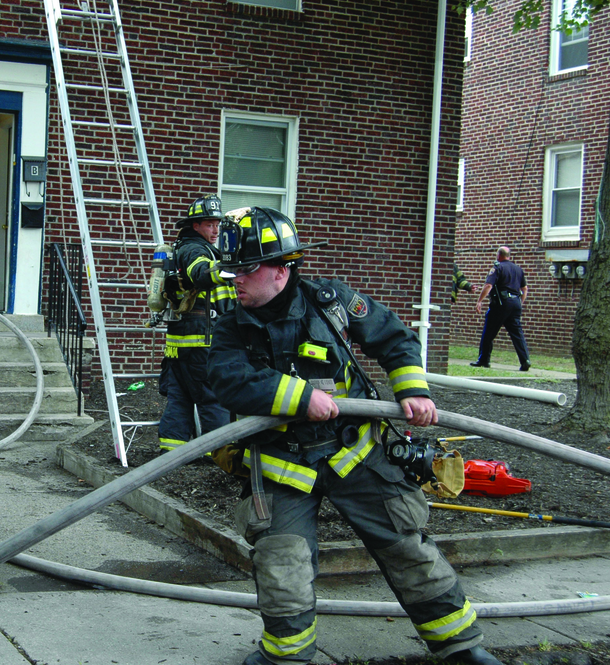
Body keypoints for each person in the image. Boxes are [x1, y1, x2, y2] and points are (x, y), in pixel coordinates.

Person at [206, 206, 501, 665]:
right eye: (232, 271)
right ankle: (285, 657)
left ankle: (462, 648)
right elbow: (226, 379)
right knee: (283, 564)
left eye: (245, 269)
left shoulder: (331, 302)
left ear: (282, 269)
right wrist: (300, 398)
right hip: (283, 463)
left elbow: (394, 338)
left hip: (354, 451)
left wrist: (413, 391)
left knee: (408, 546)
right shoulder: (230, 325)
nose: (235, 280)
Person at [157, 195, 236, 452]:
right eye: (209, 224)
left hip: (179, 345)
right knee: (213, 398)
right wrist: (231, 268)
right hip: (202, 343)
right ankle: (224, 454)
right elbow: (199, 273)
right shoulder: (194, 249)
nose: (215, 230)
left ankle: (171, 454)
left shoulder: (187, 246)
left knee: (180, 399)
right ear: (195, 226)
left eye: (217, 224)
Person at [470, 246, 530, 371]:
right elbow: (524, 289)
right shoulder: (518, 269)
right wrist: (519, 303)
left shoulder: (497, 267)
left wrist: (479, 301)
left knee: (489, 332)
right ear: (509, 256)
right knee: (517, 333)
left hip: (501, 304)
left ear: (499, 255)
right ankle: (525, 360)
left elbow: (488, 285)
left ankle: (483, 360)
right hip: (515, 303)